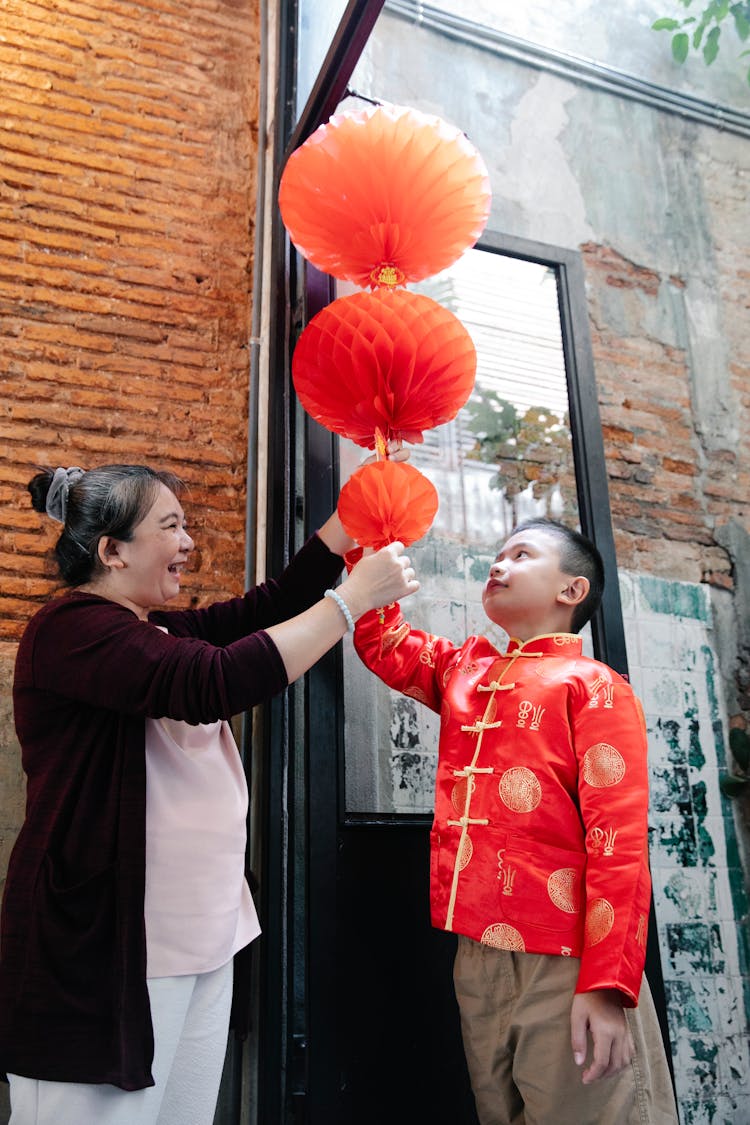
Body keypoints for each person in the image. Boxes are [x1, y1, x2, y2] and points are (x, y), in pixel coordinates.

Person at [0, 462, 419, 1125]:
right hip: (109, 951)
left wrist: (346, 529)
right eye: (170, 526)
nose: (188, 541)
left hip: (203, 934)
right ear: (112, 551)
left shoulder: (154, 629)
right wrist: (351, 602)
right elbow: (217, 681)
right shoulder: (71, 631)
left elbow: (264, 610)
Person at [353, 517, 678, 1125]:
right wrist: (373, 545)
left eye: (521, 555)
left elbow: (620, 845)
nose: (497, 566)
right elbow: (383, 643)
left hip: (569, 956)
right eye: (496, 556)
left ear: (571, 592)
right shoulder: (466, 675)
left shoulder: (595, 687)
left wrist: (606, 987)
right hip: (476, 953)